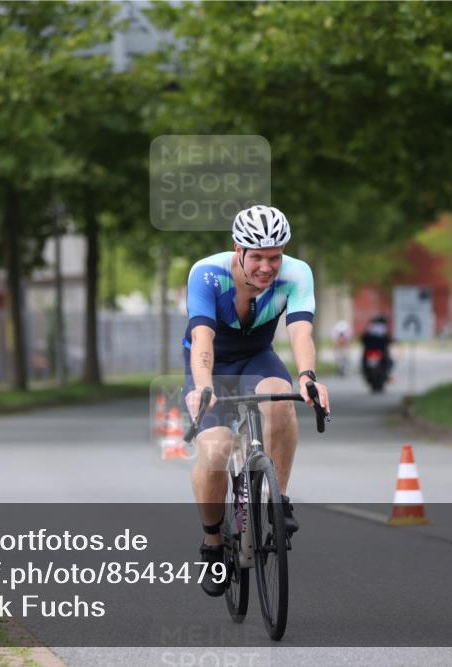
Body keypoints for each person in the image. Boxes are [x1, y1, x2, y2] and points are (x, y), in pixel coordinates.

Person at [183, 204, 331, 597]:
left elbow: (300, 332)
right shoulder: (207, 274)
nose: (268, 267)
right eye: (259, 257)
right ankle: (213, 543)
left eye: (275, 257)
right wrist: (201, 387)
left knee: (280, 402)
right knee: (214, 450)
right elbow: (202, 339)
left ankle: (277, 501)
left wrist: (307, 377)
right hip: (212, 365)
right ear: (238, 250)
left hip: (258, 358)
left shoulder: (297, 274)